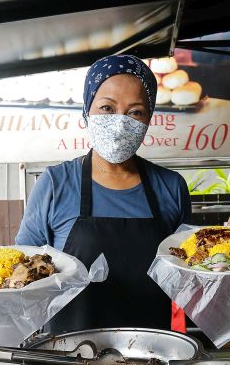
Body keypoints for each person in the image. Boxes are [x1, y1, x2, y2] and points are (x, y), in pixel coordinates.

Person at [13, 54, 193, 332]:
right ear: (87, 111)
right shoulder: (55, 184)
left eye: (135, 112)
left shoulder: (171, 187)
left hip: (149, 355)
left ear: (149, 118)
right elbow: (22, 274)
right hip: (68, 359)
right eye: (107, 108)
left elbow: (189, 276)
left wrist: (225, 260)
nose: (121, 122)